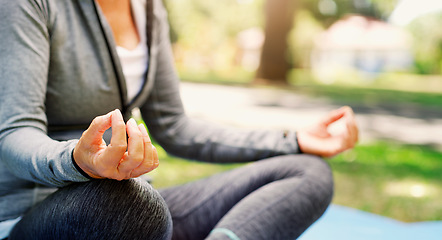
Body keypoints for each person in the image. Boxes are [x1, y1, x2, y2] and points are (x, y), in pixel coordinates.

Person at [0, 0, 358, 239]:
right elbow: (15, 132)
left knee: (307, 172)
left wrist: (292, 139)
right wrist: (77, 161)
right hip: (40, 215)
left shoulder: (149, 9)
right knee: (134, 207)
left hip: (137, 214)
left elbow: (174, 127)